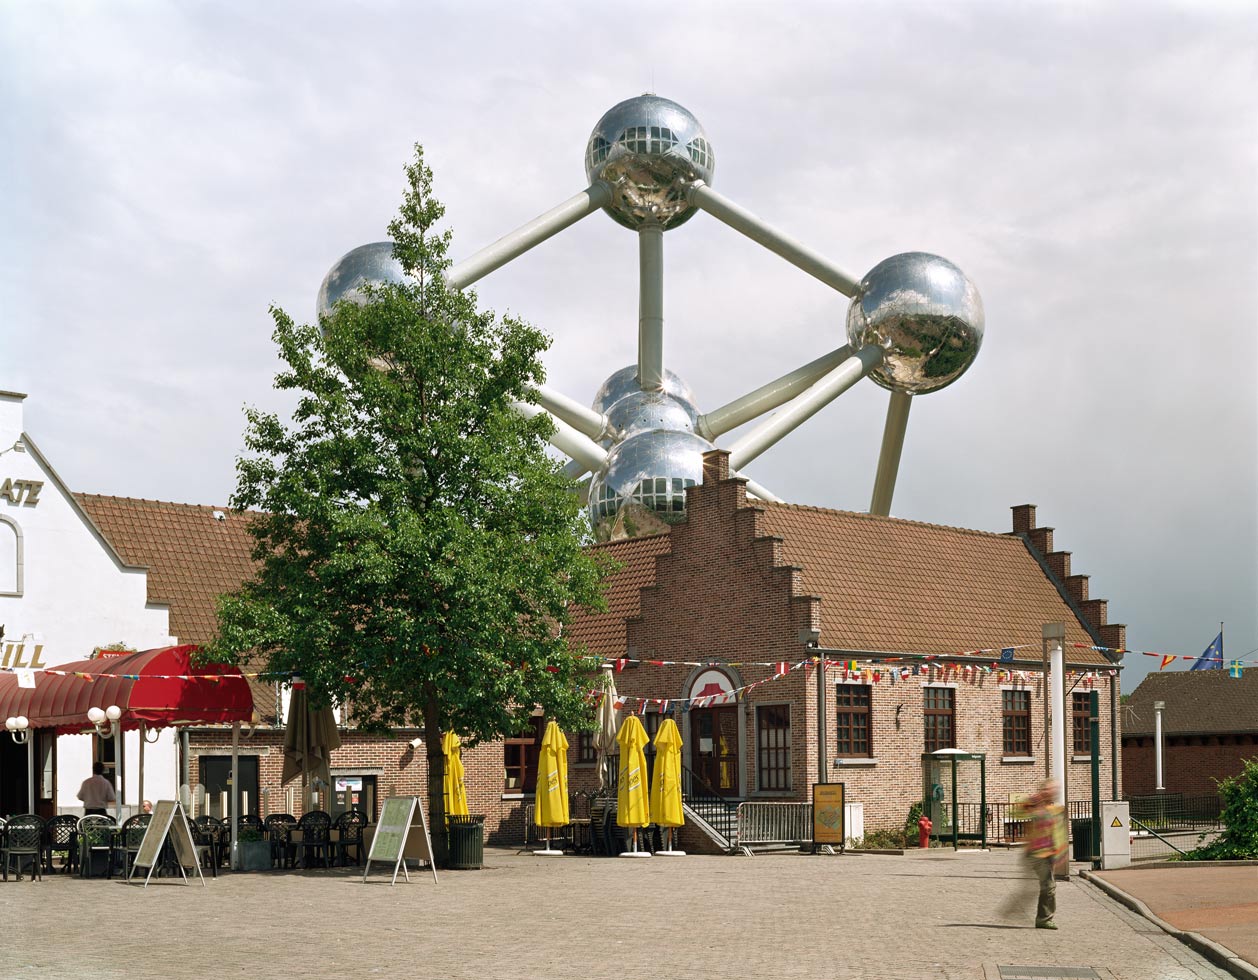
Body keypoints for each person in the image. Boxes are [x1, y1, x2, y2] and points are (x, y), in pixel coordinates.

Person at [1024, 778, 1068, 929]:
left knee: (1047, 886)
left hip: (1050, 853)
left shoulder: (1056, 809)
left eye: (1055, 789)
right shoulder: (1036, 806)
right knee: (1049, 886)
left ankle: (1042, 917)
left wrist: (1061, 851)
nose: (1053, 791)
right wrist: (1032, 801)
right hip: (1036, 853)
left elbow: (1059, 831)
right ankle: (1043, 919)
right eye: (1049, 789)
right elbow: (1018, 812)